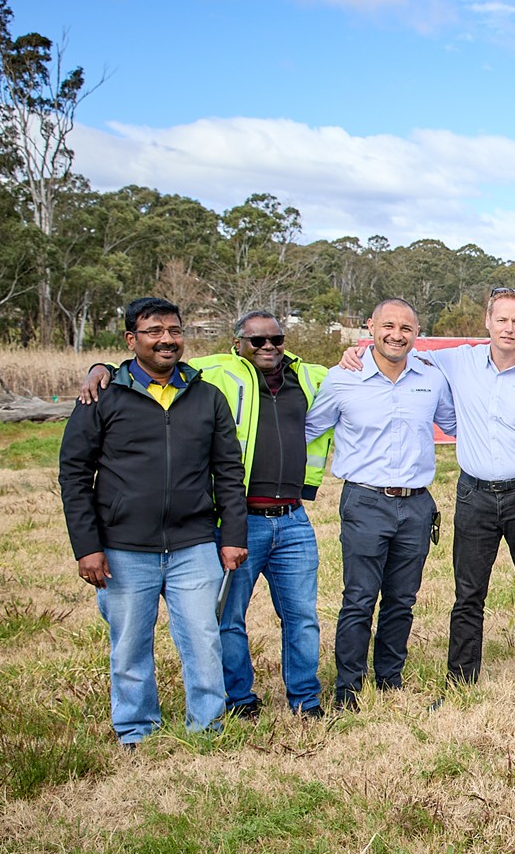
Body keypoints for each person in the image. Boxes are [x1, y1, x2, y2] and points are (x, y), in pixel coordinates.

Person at [79, 310, 335, 719]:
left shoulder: (308, 376)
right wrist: (101, 369)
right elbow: (154, 364)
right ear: (238, 343)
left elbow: (359, 368)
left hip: (293, 519)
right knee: (227, 620)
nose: (268, 346)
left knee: (303, 617)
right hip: (241, 519)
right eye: (257, 340)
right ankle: (239, 700)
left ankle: (305, 702)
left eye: (276, 339)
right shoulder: (214, 371)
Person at [342, 287, 515, 703]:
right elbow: (398, 348)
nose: (508, 328)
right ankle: (461, 681)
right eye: (501, 319)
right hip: (474, 496)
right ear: (487, 321)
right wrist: (355, 353)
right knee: (468, 594)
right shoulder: (458, 360)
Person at [58, 296, 247, 747]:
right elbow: (74, 473)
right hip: (124, 548)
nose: (167, 339)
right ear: (131, 339)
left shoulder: (206, 396)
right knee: (128, 646)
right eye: (154, 331)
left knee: (204, 640)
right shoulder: (103, 395)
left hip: (194, 543)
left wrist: (232, 536)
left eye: (174, 331)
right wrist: (88, 547)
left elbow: (229, 471)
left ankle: (208, 726)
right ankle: (135, 729)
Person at [306, 298, 456, 712]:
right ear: (370, 327)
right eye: (388, 325)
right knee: (358, 597)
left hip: (417, 505)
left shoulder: (430, 378)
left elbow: (458, 423)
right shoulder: (341, 378)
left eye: (406, 328)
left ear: (416, 334)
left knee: (402, 599)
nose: (396, 334)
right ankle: (348, 688)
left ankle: (390, 678)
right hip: (365, 501)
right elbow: (307, 428)